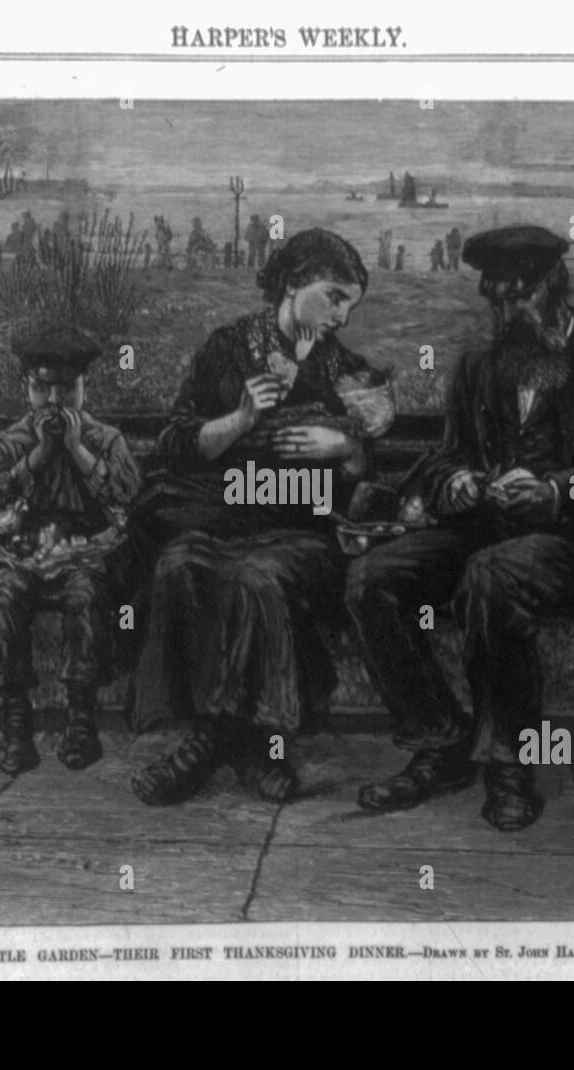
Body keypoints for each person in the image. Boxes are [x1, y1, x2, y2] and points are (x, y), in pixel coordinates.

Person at [344, 225, 574, 832]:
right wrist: (456, 481)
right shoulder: (480, 370)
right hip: (483, 530)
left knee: (491, 577)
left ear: (553, 287)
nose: (508, 312)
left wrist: (557, 488)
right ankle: (439, 740)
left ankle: (509, 764)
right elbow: (445, 457)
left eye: (520, 298)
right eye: (497, 300)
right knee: (370, 579)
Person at [127, 228, 382, 806]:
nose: (342, 316)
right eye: (334, 296)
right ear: (293, 284)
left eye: (350, 304)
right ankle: (243, 742)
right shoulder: (228, 350)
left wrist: (344, 449)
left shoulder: (344, 368)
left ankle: (220, 742)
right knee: (179, 563)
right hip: (222, 520)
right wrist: (239, 420)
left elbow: (369, 471)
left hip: (304, 534)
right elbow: (175, 442)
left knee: (255, 578)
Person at [0, 324, 142, 775]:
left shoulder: (105, 439)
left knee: (86, 596)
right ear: (27, 387)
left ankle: (81, 718)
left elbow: (126, 495)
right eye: (41, 388)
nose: (53, 400)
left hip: (85, 553)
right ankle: (16, 721)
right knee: (0, 595)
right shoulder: (10, 442)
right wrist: (40, 456)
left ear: (84, 387)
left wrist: (75, 449)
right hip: (21, 552)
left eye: (66, 388)